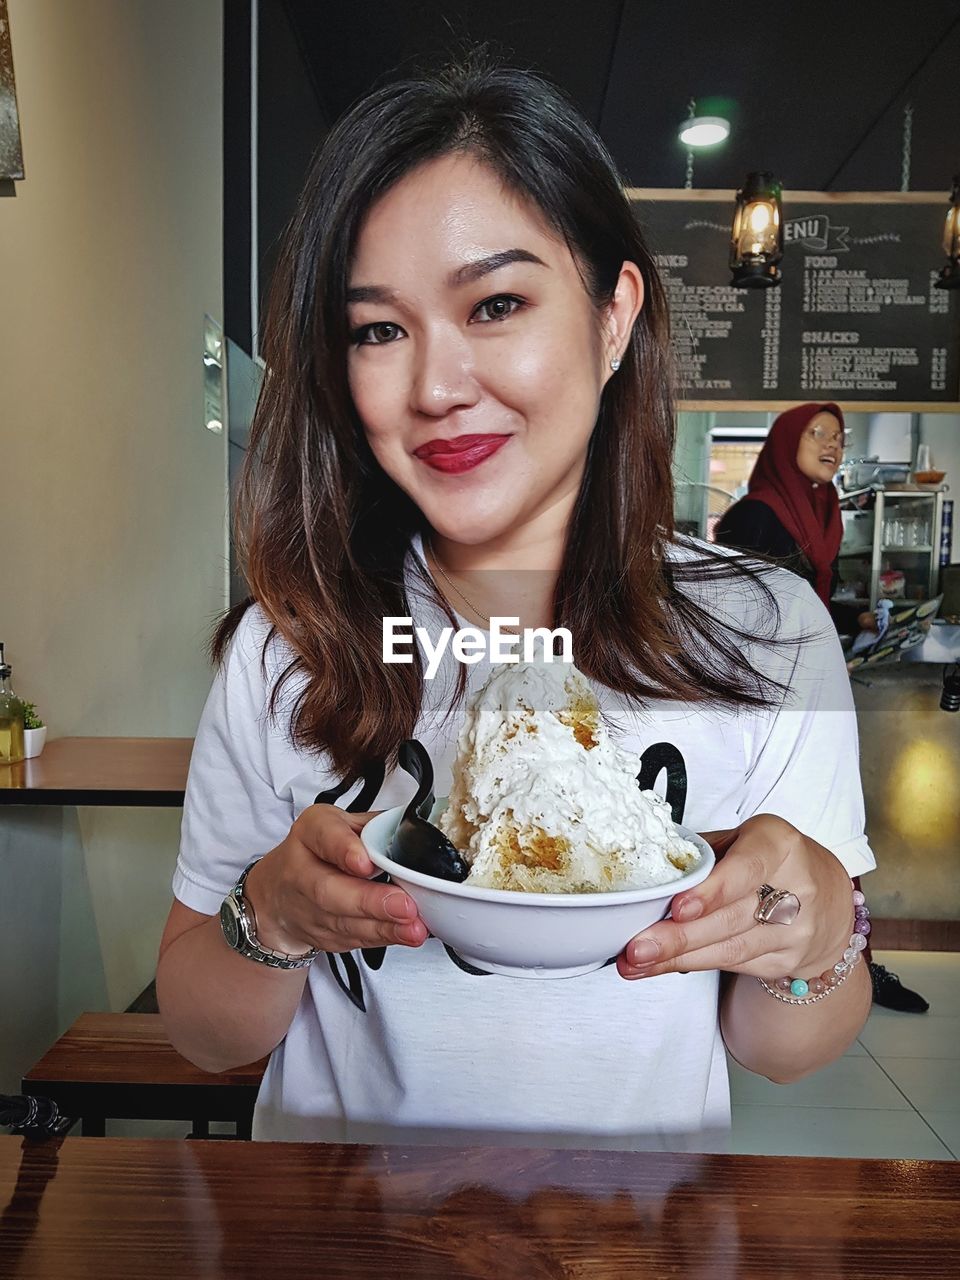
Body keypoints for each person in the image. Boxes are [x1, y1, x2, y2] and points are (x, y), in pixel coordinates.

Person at [156, 61, 875, 1147]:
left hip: (637, 1235)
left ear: (613, 315)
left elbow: (780, 1049)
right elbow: (207, 1034)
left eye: (497, 303)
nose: (437, 384)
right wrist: (272, 914)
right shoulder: (288, 647)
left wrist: (816, 932)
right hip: (338, 1231)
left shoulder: (766, 632)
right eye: (376, 330)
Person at [715, 405, 929, 1014]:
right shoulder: (757, 516)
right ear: (786, 443)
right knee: (782, 841)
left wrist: (850, 620)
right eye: (818, 433)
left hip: (809, 695)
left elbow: (803, 604)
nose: (832, 445)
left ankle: (842, 958)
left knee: (830, 843)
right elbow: (747, 615)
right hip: (766, 708)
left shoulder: (821, 510)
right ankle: (777, 972)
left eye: (838, 436)